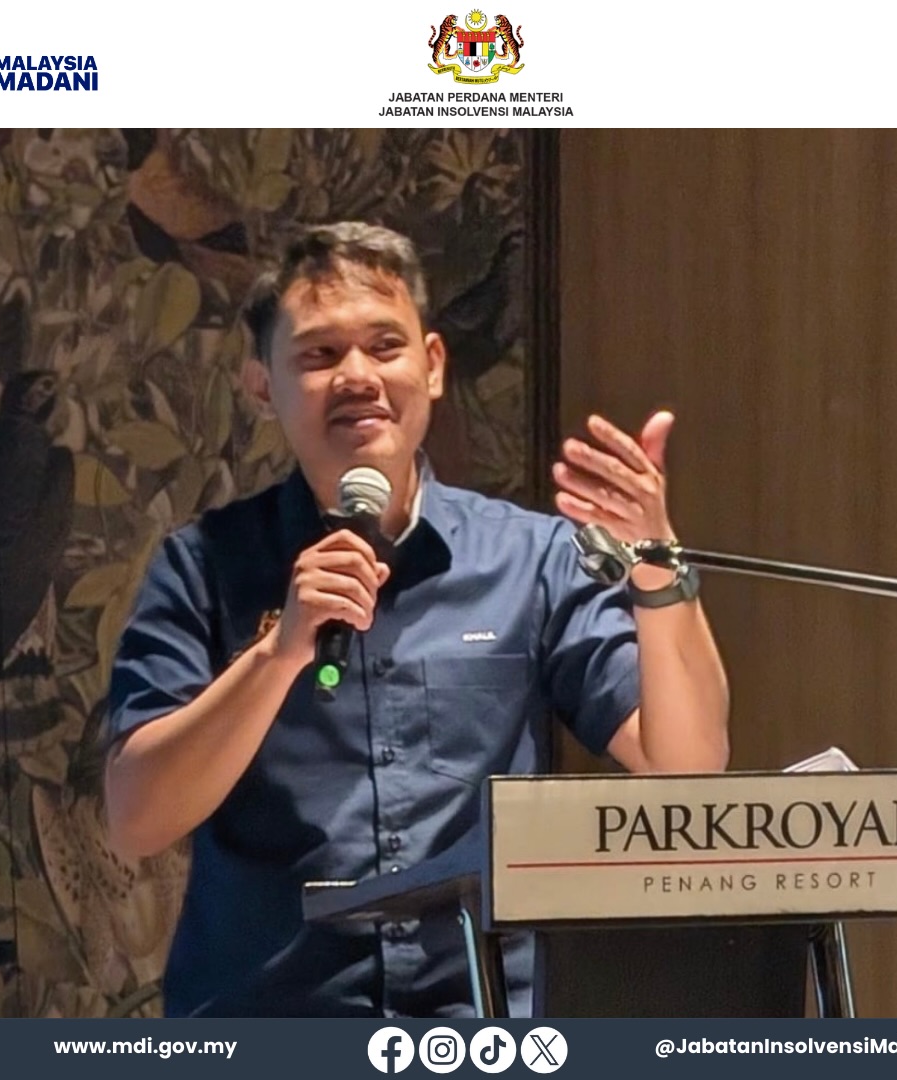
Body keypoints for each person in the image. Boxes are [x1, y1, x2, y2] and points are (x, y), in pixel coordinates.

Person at [103, 221, 729, 1018]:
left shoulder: (530, 560)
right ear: (262, 386)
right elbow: (136, 821)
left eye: (384, 346)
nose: (357, 376)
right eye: (320, 354)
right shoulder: (200, 567)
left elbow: (683, 770)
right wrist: (277, 655)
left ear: (432, 366)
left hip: (484, 1024)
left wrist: (658, 568)